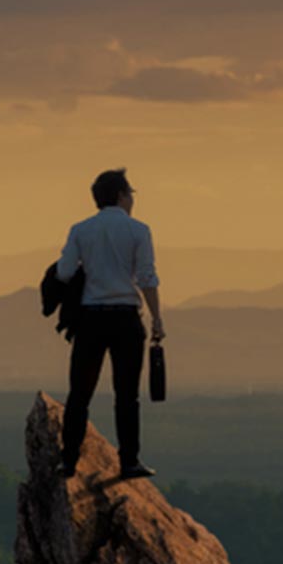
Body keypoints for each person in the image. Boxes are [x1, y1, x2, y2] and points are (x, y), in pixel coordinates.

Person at [53, 168, 165, 480]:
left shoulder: (80, 229)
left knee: (80, 393)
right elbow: (146, 277)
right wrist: (157, 318)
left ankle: (68, 460)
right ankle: (129, 461)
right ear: (121, 195)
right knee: (127, 394)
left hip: (90, 318)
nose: (132, 200)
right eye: (131, 194)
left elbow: (63, 272)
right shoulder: (138, 230)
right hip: (125, 318)